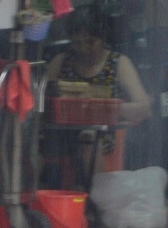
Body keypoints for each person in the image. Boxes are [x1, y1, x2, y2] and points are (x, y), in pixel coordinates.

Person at [44, 4, 151, 184]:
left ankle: (96, 202)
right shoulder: (61, 61)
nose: (83, 49)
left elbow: (144, 108)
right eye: (77, 43)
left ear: (102, 38)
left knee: (88, 137)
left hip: (100, 136)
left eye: (90, 42)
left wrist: (107, 109)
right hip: (60, 135)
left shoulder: (118, 63)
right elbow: (40, 99)